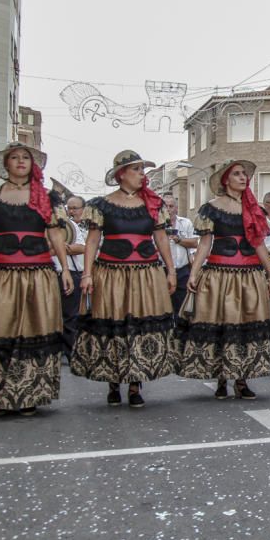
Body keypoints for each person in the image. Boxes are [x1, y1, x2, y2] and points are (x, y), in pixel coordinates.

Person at [0, 142, 72, 416]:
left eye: (26, 158)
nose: (21, 161)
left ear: (33, 165)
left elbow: (56, 235)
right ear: (6, 164)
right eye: (15, 157)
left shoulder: (46, 197)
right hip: (0, 275)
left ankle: (28, 393)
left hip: (38, 273)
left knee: (33, 329)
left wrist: (65, 268)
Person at [70, 150, 177, 408]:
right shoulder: (102, 205)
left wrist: (171, 270)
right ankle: (113, 381)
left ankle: (134, 384)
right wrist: (86, 274)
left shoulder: (152, 204)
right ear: (121, 174)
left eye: (142, 170)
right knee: (114, 321)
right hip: (111, 271)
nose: (142, 174)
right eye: (137, 169)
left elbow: (161, 238)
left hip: (145, 272)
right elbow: (93, 241)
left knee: (139, 325)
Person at [178, 160, 270, 399]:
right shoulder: (211, 208)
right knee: (223, 323)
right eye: (237, 174)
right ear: (226, 179)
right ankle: (222, 377)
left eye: (245, 174)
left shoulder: (254, 209)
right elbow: (205, 244)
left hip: (250, 275)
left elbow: (259, 244)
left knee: (246, 325)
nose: (243, 178)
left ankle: (241, 380)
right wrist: (194, 273)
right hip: (220, 274)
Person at [53, 195, 87, 359]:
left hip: (71, 273)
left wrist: (60, 248)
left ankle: (71, 352)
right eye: (68, 208)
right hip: (50, 273)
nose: (69, 211)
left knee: (70, 316)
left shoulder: (70, 225)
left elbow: (82, 247)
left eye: (74, 208)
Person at [163, 195, 198, 319]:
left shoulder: (185, 223)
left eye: (171, 206)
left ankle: (180, 334)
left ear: (176, 208)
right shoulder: (156, 225)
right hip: (163, 269)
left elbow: (194, 243)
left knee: (182, 304)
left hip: (182, 270)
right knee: (164, 305)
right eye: (165, 206)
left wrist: (179, 240)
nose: (168, 209)